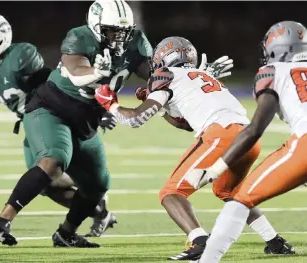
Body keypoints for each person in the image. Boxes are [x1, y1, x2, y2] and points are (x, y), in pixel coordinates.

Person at [94, 36, 295, 260]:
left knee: (171, 193)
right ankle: (275, 241)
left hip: (222, 134)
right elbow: (185, 123)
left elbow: (134, 119)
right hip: (248, 137)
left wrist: (110, 104)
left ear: (163, 57)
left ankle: (200, 242)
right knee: (230, 192)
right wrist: (160, 108)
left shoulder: (165, 75)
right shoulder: (204, 75)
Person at [0, 0, 153, 248]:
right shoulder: (79, 37)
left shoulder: (135, 40)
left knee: (98, 185)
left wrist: (186, 75)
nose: (118, 37)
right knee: (53, 160)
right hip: (52, 108)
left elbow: (154, 74)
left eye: (123, 31)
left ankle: (67, 233)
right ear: (95, 26)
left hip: (87, 120)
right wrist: (95, 72)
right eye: (112, 30)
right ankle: (0, 222)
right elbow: (76, 72)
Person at [0, 11, 117, 246]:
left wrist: (97, 108)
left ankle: (3, 222)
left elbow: (54, 83)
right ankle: (97, 213)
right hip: (30, 122)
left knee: (58, 170)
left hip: (52, 114)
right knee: (47, 184)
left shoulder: (20, 55)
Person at [186, 20, 307, 263]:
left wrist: (215, 169)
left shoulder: (273, 71)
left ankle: (207, 260)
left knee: (240, 199)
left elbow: (254, 130)